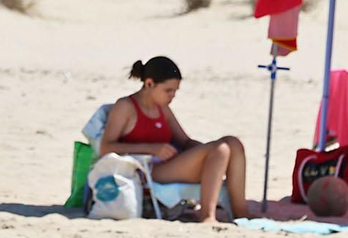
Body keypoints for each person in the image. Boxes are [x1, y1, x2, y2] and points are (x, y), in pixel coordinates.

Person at [99, 55, 250, 223]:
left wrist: (204, 148)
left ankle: (241, 214)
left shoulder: (162, 109)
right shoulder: (126, 107)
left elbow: (184, 141)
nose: (172, 96)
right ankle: (207, 216)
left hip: (172, 163)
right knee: (221, 149)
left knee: (232, 143)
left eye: (175, 91)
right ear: (149, 84)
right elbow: (106, 147)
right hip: (147, 168)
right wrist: (152, 149)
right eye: (168, 90)